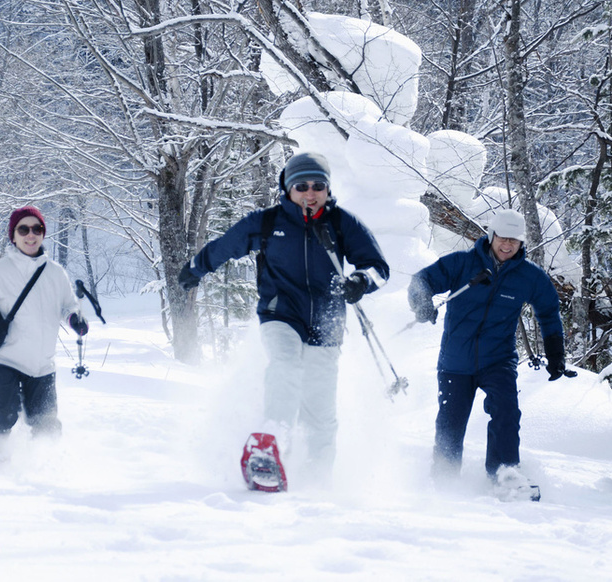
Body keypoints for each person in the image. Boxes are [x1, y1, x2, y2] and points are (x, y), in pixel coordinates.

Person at [178, 152, 389, 484]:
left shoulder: (341, 223)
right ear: (287, 189)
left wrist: (361, 281)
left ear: (327, 188)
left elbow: (378, 267)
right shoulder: (268, 222)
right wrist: (196, 268)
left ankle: (318, 481)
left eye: (318, 185)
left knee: (320, 412)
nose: (310, 193)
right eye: (301, 186)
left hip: (327, 322)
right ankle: (269, 443)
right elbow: (227, 245)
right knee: (286, 364)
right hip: (280, 312)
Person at [408, 208, 567, 493]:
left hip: (498, 360)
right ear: (491, 235)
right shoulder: (462, 264)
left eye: (514, 241)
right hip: (455, 360)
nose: (507, 245)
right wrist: (422, 303)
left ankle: (504, 476)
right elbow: (421, 281)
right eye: (502, 238)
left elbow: (549, 311)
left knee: (506, 412)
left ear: (521, 244)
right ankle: (443, 477)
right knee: (451, 420)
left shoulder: (529, 277)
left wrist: (556, 355)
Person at [0, 206, 87, 450]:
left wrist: (75, 319)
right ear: (13, 235)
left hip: (43, 364)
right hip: (8, 359)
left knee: (46, 423)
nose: (31, 235)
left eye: (37, 229)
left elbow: (69, 305)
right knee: (4, 413)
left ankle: (45, 464)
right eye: (23, 229)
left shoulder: (56, 273)